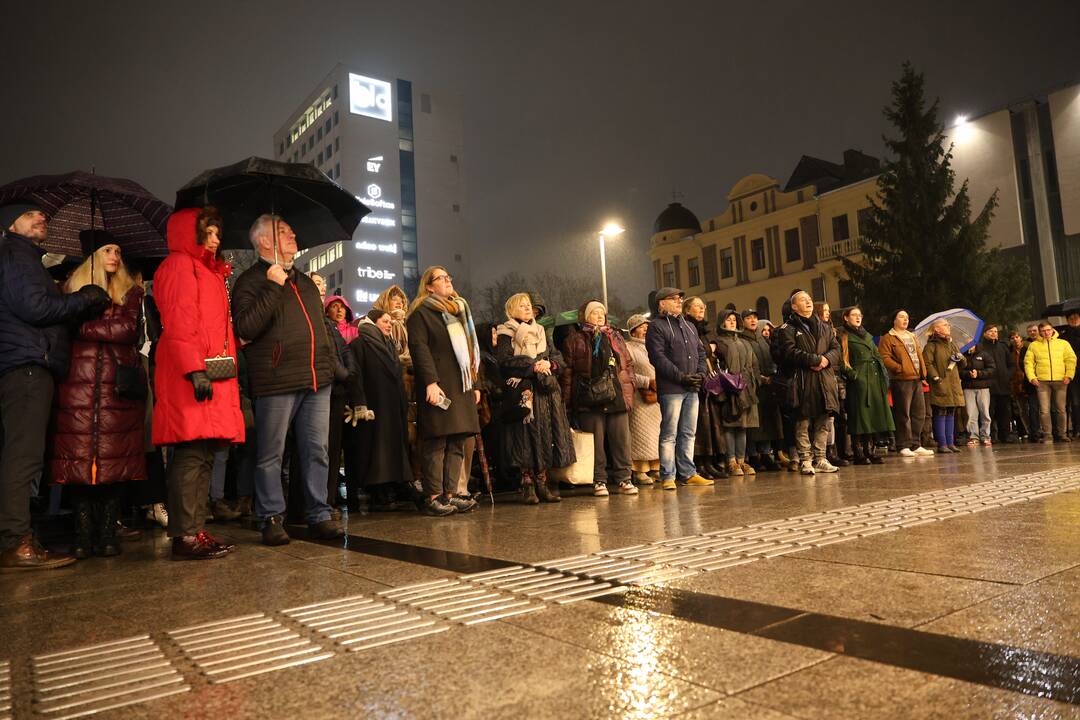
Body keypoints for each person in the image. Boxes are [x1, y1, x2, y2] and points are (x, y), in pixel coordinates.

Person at [0, 204, 111, 570]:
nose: (41, 217)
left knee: (23, 455)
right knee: (23, 457)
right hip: (28, 367)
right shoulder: (17, 255)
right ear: (11, 224)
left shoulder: (25, 258)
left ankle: (18, 535)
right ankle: (15, 541)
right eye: (31, 214)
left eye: (42, 214)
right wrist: (83, 298)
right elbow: (35, 307)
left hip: (28, 364)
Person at [232, 214, 343, 545]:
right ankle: (270, 517)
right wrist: (272, 284)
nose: (294, 234)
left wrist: (330, 365)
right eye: (284, 231)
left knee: (317, 450)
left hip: (316, 379)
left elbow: (320, 328)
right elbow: (245, 328)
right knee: (271, 453)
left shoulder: (306, 282)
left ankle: (319, 514)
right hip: (277, 380)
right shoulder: (251, 281)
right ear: (265, 241)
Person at [152, 207, 244, 559]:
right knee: (190, 455)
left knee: (203, 454)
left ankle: (195, 530)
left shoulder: (208, 271)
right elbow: (179, 320)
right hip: (192, 375)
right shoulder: (179, 266)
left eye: (218, 232)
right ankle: (185, 535)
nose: (217, 238)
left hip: (209, 374)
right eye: (210, 232)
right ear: (192, 233)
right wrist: (194, 369)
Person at [50, 233, 147, 557]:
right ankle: (82, 534)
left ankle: (107, 533)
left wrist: (83, 328)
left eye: (119, 251)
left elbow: (128, 330)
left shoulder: (130, 293)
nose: (115, 256)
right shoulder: (69, 291)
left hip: (116, 390)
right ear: (93, 256)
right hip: (77, 387)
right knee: (79, 463)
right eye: (108, 250)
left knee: (112, 462)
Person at [406, 266, 481, 516]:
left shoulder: (459, 311)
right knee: (437, 442)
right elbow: (420, 349)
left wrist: (476, 383)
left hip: (462, 384)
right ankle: (434, 496)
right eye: (441, 278)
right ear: (429, 286)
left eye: (449, 276)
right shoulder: (420, 314)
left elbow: (470, 351)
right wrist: (430, 381)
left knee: (459, 440)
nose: (448, 280)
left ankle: (452, 494)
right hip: (439, 383)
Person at [496, 293, 574, 504]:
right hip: (524, 393)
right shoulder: (506, 331)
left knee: (545, 437)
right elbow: (503, 361)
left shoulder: (541, 331)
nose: (527, 308)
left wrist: (550, 364)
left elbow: (556, 356)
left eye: (528, 305)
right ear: (512, 309)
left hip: (546, 392)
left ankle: (542, 482)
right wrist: (531, 366)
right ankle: (527, 485)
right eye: (522, 306)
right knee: (525, 440)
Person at [561, 300, 638, 496]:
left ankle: (624, 478)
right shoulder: (576, 339)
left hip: (615, 395)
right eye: (594, 313)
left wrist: (630, 390)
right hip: (589, 398)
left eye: (601, 313)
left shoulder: (615, 337)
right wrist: (569, 402)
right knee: (595, 443)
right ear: (586, 317)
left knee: (621, 440)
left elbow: (627, 365)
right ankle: (599, 480)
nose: (599, 316)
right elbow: (568, 372)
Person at [645, 287, 713, 490]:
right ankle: (668, 475)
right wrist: (681, 377)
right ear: (661, 303)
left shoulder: (689, 326)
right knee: (669, 434)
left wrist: (700, 375)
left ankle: (688, 473)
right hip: (672, 388)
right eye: (673, 299)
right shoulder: (656, 326)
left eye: (680, 298)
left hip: (691, 387)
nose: (678, 301)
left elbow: (701, 353)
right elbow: (657, 357)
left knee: (688, 432)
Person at [347, 309, 414, 509]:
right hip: (374, 404)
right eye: (385, 321)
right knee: (376, 449)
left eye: (390, 322)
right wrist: (360, 403)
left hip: (391, 404)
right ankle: (377, 491)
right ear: (373, 322)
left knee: (390, 447)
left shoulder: (390, 345)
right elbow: (356, 375)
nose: (389, 325)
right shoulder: (359, 345)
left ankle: (391, 488)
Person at [773, 290, 842, 475]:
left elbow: (836, 348)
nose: (809, 302)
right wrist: (815, 360)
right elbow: (789, 352)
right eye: (803, 300)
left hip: (824, 380)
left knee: (823, 421)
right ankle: (806, 459)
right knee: (802, 422)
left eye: (810, 299)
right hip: (803, 380)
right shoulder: (787, 328)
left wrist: (826, 360)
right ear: (794, 306)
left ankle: (821, 458)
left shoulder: (825, 327)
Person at [837, 306, 894, 464]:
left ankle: (870, 450)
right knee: (859, 416)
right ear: (846, 318)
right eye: (854, 315)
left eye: (859, 315)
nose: (857, 317)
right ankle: (858, 451)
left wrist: (882, 372)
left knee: (872, 416)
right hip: (859, 380)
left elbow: (877, 354)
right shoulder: (843, 334)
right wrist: (853, 375)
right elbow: (842, 359)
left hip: (874, 378)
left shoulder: (866, 334)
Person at [878, 310, 935, 458]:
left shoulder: (912, 336)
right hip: (901, 380)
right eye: (902, 317)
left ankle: (916, 444)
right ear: (894, 320)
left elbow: (919, 356)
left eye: (907, 318)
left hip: (916, 379)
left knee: (919, 413)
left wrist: (923, 373)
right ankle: (903, 445)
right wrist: (899, 368)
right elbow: (884, 357)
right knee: (903, 413)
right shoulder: (888, 338)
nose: (905, 320)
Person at [683, 297, 727, 479]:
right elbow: (695, 351)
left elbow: (724, 349)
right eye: (697, 306)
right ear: (687, 310)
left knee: (713, 425)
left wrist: (711, 347)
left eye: (703, 307)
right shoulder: (685, 327)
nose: (702, 309)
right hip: (696, 382)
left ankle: (710, 462)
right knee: (699, 425)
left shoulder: (708, 328)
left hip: (711, 384)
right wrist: (711, 348)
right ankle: (699, 463)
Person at [714, 309, 760, 477]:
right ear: (722, 322)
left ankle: (741, 460)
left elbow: (754, 364)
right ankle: (730, 460)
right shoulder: (719, 342)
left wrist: (755, 382)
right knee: (730, 425)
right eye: (728, 319)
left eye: (734, 319)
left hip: (747, 388)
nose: (732, 322)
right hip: (729, 388)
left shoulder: (745, 342)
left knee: (743, 426)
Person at [323, 294, 358, 516]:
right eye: (334, 307)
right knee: (330, 448)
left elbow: (350, 356)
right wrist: (344, 374)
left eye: (342, 307)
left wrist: (350, 375)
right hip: (333, 391)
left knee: (347, 447)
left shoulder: (354, 333)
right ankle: (329, 496)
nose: (339, 310)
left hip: (349, 391)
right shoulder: (327, 329)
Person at [742, 310, 782, 471]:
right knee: (754, 423)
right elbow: (748, 365)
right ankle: (753, 455)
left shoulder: (763, 339)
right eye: (748, 318)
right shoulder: (743, 340)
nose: (753, 320)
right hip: (754, 386)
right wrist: (761, 378)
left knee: (768, 421)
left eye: (755, 318)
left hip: (769, 386)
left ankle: (766, 454)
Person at [1024, 321, 1077, 443]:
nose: (1046, 332)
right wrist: (1032, 377)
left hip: (1061, 380)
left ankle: (1062, 434)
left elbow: (1071, 359)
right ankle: (1048, 435)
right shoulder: (1034, 345)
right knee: (1044, 410)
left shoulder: (1063, 343)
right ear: (1040, 332)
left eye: (1048, 330)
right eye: (1043, 331)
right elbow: (1028, 363)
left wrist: (1069, 375)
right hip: (1042, 382)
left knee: (1061, 409)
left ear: (1052, 330)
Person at [624, 314, 661, 485]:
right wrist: (646, 382)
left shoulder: (655, 346)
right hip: (640, 396)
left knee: (657, 432)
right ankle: (639, 470)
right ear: (633, 330)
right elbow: (626, 373)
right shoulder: (628, 347)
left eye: (647, 325)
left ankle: (656, 467)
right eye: (641, 326)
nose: (646, 328)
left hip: (657, 395)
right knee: (640, 433)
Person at [923, 319, 967, 453]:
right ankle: (942, 444)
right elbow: (927, 363)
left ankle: (950, 442)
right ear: (936, 329)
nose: (948, 327)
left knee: (951, 412)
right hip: (940, 383)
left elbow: (963, 364)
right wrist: (935, 377)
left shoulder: (952, 344)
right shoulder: (931, 346)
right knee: (941, 412)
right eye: (945, 325)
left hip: (953, 384)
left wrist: (961, 358)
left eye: (948, 325)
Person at [814, 302, 849, 467]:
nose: (827, 313)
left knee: (836, 417)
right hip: (824, 375)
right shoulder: (817, 331)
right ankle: (826, 452)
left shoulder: (833, 331)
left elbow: (838, 355)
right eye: (824, 310)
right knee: (826, 418)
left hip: (835, 378)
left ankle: (836, 450)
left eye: (829, 310)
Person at [979, 325, 1014, 444]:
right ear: (984, 334)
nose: (994, 333)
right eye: (990, 331)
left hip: (1003, 384)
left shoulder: (1003, 346)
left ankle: (1005, 435)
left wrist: (1007, 375)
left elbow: (1011, 364)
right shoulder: (981, 347)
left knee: (1004, 411)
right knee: (989, 412)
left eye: (995, 331)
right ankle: (991, 435)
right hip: (988, 385)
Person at [960, 337, 996, 446]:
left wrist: (979, 373)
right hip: (968, 387)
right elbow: (959, 371)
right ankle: (973, 436)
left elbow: (992, 368)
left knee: (985, 412)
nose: (969, 344)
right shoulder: (962, 356)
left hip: (983, 387)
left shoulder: (984, 354)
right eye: (967, 343)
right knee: (971, 414)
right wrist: (968, 374)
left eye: (971, 342)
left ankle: (985, 436)